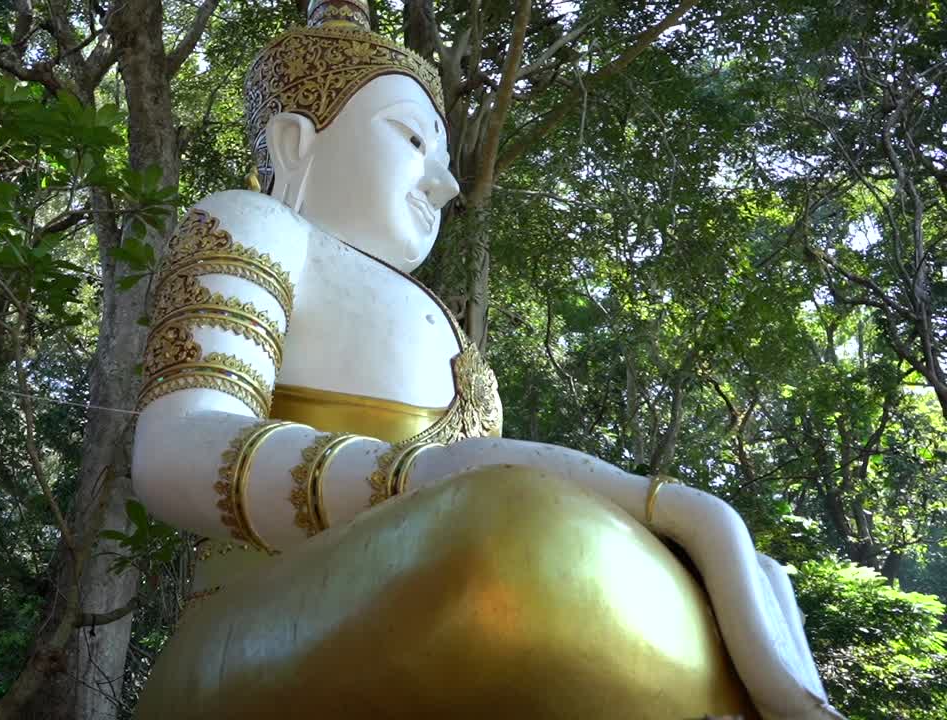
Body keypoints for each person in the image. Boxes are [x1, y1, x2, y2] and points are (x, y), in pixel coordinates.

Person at [131, 2, 840, 718]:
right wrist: (418, 481)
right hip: (263, 604)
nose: (443, 182)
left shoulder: (434, 315)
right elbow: (175, 449)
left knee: (719, 576)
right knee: (519, 541)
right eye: (411, 139)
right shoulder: (259, 225)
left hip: (423, 569)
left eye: (442, 156)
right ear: (294, 144)